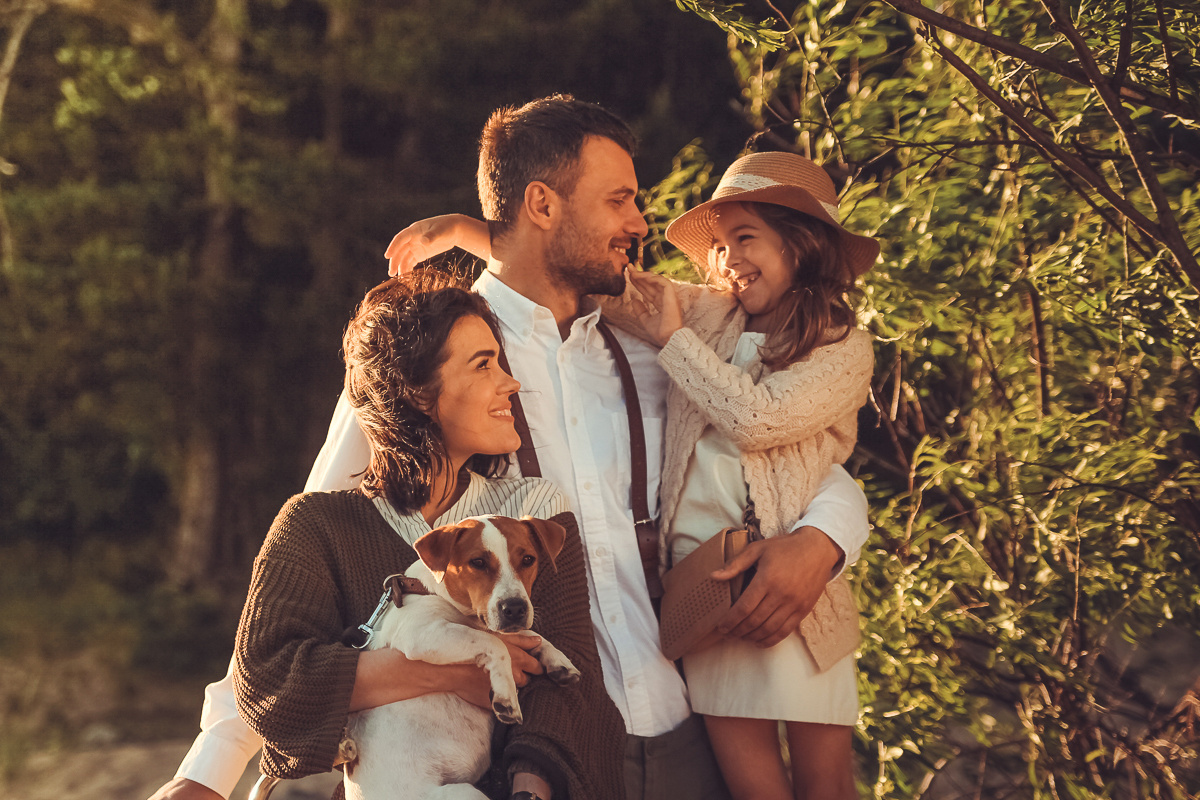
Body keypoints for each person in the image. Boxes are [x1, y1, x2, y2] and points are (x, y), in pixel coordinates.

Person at [150, 95, 871, 800]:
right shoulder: (430, 361)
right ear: (543, 205)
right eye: (619, 200)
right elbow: (306, 565)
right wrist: (209, 771)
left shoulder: (659, 346)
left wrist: (823, 538)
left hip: (685, 725)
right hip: (531, 752)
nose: (639, 223)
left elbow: (785, 446)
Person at [382, 150, 877, 800]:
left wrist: (825, 539)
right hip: (702, 602)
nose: (728, 261)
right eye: (720, 247)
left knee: (828, 785)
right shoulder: (709, 316)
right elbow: (606, 282)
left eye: (746, 239)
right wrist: (476, 235)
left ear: (805, 245)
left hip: (797, 600)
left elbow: (766, 427)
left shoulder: (841, 345)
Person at [232, 272, 624, 800]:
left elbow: (571, 679)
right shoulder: (315, 525)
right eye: (484, 364)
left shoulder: (532, 510)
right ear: (417, 393)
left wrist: (529, 791)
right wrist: (449, 671)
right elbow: (268, 684)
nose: (510, 383)